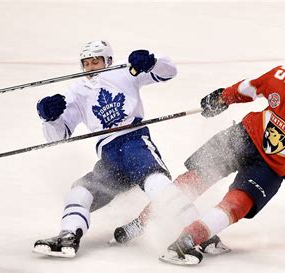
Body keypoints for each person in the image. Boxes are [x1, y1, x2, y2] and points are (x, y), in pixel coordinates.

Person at [114, 47, 285, 265]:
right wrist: (223, 98)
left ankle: (187, 239)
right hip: (244, 135)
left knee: (238, 203)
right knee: (195, 177)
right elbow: (251, 87)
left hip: (271, 165)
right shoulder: (281, 76)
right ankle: (140, 222)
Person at [32, 40, 178, 257]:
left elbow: (169, 72)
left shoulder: (125, 70)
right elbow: (58, 136)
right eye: (86, 63)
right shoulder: (76, 91)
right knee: (79, 191)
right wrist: (50, 118)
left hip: (134, 141)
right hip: (108, 157)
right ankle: (68, 235)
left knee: (154, 180)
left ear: (108, 60)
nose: (91, 67)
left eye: (96, 61)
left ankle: (191, 228)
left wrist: (152, 61)